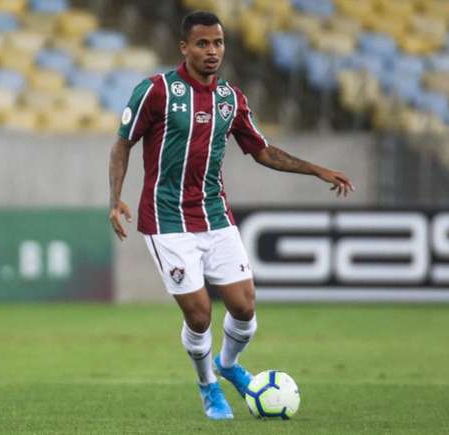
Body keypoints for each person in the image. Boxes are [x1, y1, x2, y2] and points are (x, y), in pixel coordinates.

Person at [108, 10, 354, 420]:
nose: (211, 51)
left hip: (215, 215)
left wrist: (316, 169)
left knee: (244, 306)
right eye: (202, 43)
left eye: (218, 43)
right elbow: (122, 144)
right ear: (184, 47)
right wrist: (115, 199)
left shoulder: (231, 99)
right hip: (167, 219)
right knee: (200, 313)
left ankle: (226, 365)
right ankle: (208, 387)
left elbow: (263, 151)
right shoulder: (156, 92)